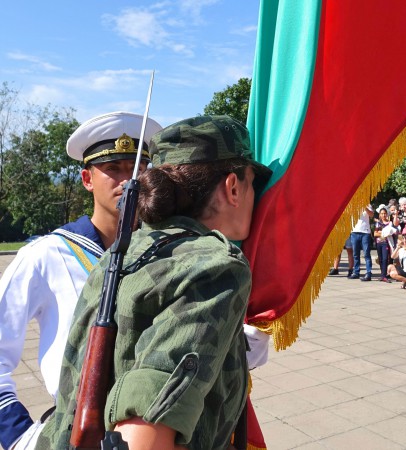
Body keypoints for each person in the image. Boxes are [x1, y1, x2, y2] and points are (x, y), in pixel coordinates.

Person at [35, 115, 273, 450]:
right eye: (253, 184)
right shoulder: (214, 265)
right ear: (233, 187)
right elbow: (144, 434)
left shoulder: (124, 250)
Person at [0, 111, 163, 450]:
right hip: (75, 430)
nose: (127, 180)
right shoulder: (46, 255)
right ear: (88, 178)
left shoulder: (163, 253)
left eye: (138, 169)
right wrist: (18, 436)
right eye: (114, 168)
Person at [349, 205, 374, 281]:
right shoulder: (351, 204)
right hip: (354, 232)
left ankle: (368, 273)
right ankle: (356, 272)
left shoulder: (367, 204)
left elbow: (371, 215)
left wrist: (365, 208)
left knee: (366, 254)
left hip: (365, 232)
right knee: (355, 254)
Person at [373, 205, 392, 282]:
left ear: (387, 214)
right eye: (382, 213)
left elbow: (390, 233)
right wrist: (384, 233)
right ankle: (382, 274)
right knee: (380, 259)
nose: (383, 215)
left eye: (385, 213)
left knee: (385, 259)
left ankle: (384, 275)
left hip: (386, 243)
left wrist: (381, 232)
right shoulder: (378, 223)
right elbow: (375, 234)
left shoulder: (389, 223)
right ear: (379, 214)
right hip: (378, 243)